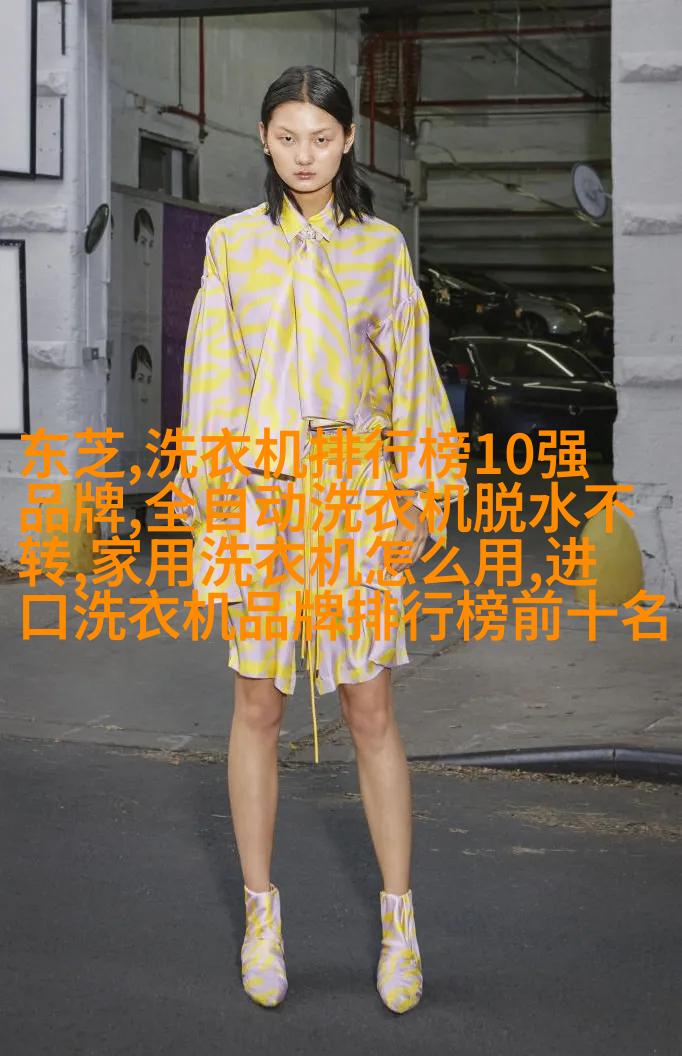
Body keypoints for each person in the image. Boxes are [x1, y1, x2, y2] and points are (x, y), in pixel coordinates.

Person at [173, 65, 468, 1015]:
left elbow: (414, 378)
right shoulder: (232, 245)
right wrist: (219, 506)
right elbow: (210, 378)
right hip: (260, 495)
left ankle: (400, 925)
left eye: (323, 138)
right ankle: (261, 919)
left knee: (370, 708)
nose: (305, 155)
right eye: (288, 136)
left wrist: (418, 502)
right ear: (264, 138)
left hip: (352, 494)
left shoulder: (381, 248)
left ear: (347, 142)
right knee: (256, 706)